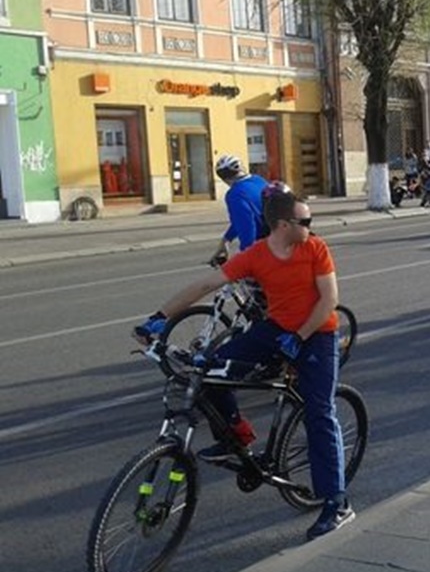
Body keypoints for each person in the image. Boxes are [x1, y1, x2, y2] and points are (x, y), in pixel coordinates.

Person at [134, 187, 352, 541]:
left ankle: (337, 503)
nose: (311, 226)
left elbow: (330, 300)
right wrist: (158, 317)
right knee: (210, 371)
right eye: (305, 221)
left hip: (317, 334)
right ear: (283, 225)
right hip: (275, 329)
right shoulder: (257, 255)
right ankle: (237, 434)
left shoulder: (315, 248)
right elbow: (207, 283)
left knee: (319, 412)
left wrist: (299, 336)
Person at [211, 155, 268, 263]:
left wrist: (246, 259)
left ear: (224, 179)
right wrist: (227, 239)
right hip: (281, 241)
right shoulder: (259, 180)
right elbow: (240, 220)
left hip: (263, 248)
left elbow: (247, 226)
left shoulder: (235, 194)